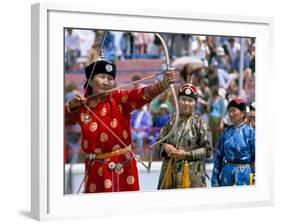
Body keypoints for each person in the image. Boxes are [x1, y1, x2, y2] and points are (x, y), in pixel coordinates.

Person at [65, 58, 176, 193]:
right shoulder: (81, 106)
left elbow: (141, 95)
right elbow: (58, 121)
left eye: (110, 78)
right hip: (95, 171)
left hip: (124, 168)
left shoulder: (119, 98)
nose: (107, 82)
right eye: (102, 77)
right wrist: (69, 107)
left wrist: (163, 84)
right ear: (90, 80)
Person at [157, 83, 212, 189]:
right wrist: (166, 147)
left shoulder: (200, 124)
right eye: (183, 99)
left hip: (192, 177)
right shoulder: (171, 122)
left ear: (195, 103)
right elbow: (159, 142)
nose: (186, 103)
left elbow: (208, 151)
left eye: (190, 100)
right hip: (170, 176)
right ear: (178, 101)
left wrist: (186, 155)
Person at [211, 99, 255, 187]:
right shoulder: (226, 133)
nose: (231, 114)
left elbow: (256, 155)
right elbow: (218, 157)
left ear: (242, 113)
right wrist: (215, 178)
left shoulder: (250, 132)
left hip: (244, 175)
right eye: (229, 111)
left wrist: (255, 176)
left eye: (234, 110)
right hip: (226, 174)